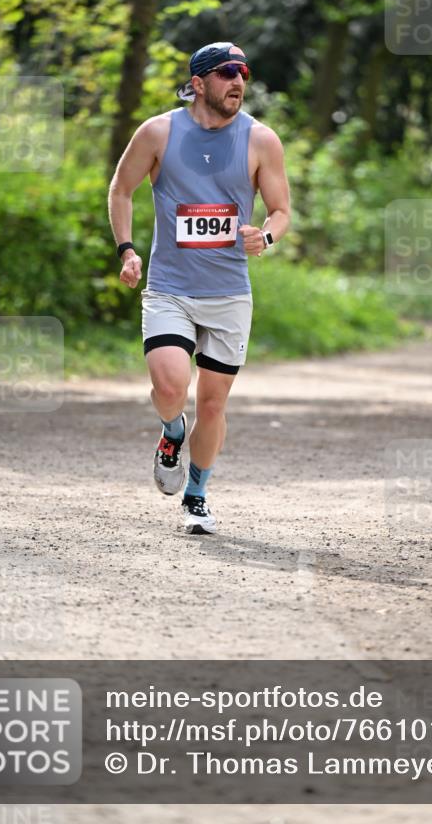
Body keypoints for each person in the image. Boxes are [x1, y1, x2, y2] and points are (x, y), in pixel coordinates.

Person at [108, 41, 291, 534]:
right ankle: (172, 431)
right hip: (169, 287)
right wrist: (127, 249)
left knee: (213, 402)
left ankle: (196, 493)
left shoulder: (261, 140)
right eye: (228, 72)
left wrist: (266, 234)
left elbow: (281, 210)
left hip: (229, 293)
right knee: (170, 387)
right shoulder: (159, 132)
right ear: (197, 83)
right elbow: (120, 188)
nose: (239, 82)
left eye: (244, 73)